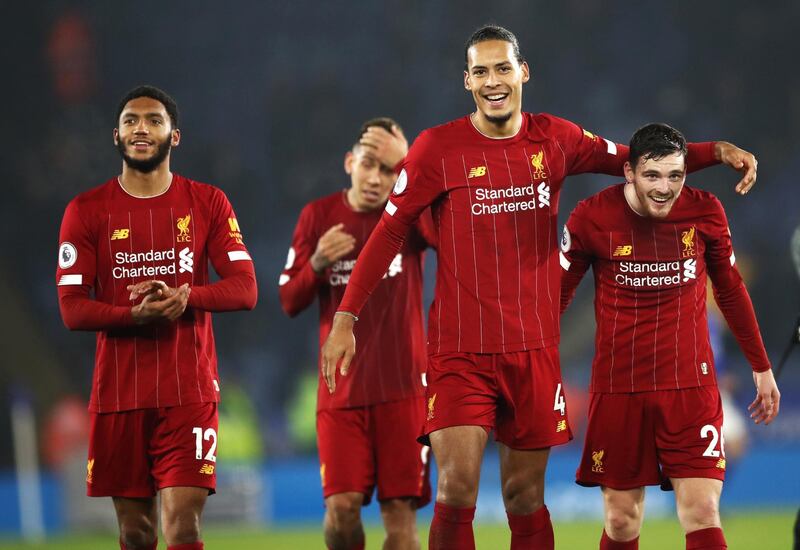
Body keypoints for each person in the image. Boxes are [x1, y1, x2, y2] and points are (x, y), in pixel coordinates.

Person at [321, 25, 759, 550]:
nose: (493, 81)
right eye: (480, 71)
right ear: (467, 81)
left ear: (522, 72)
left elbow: (631, 158)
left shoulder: (556, 138)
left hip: (532, 350)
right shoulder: (438, 149)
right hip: (460, 351)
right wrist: (347, 316)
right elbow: (390, 232)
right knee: (457, 488)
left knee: (523, 496)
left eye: (502, 68)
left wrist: (716, 151)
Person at [559, 123, 780, 550]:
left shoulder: (706, 212)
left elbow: (731, 291)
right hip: (619, 388)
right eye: (653, 176)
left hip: (690, 386)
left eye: (675, 176)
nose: (665, 188)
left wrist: (761, 366)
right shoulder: (591, 217)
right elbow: (557, 294)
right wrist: (538, 361)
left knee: (701, 511)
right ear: (628, 172)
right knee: (622, 520)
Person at [56, 85, 257, 550]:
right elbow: (71, 308)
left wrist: (188, 298)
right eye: (130, 121)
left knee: (183, 528)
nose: (140, 128)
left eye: (152, 120)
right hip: (119, 395)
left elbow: (245, 288)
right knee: (136, 533)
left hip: (189, 391)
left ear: (175, 136)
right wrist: (135, 314)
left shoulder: (207, 202)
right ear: (116, 135)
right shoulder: (85, 211)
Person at [279, 118, 435, 550]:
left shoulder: (409, 218)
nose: (376, 178)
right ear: (350, 162)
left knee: (401, 519)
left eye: (390, 170)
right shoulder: (319, 217)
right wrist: (314, 265)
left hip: (405, 393)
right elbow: (289, 301)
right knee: (343, 509)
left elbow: (444, 231)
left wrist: (413, 170)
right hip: (342, 394)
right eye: (369, 164)